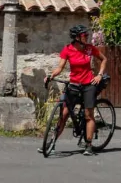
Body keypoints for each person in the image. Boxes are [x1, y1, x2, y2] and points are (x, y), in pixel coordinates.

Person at [44, 24, 108, 156]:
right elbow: (60, 67)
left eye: (87, 34)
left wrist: (99, 75)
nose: (87, 37)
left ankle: (88, 145)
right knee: (64, 115)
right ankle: (52, 142)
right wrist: (51, 76)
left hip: (89, 85)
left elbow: (104, 59)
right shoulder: (67, 49)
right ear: (77, 37)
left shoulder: (89, 48)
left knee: (88, 115)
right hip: (73, 85)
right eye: (85, 35)